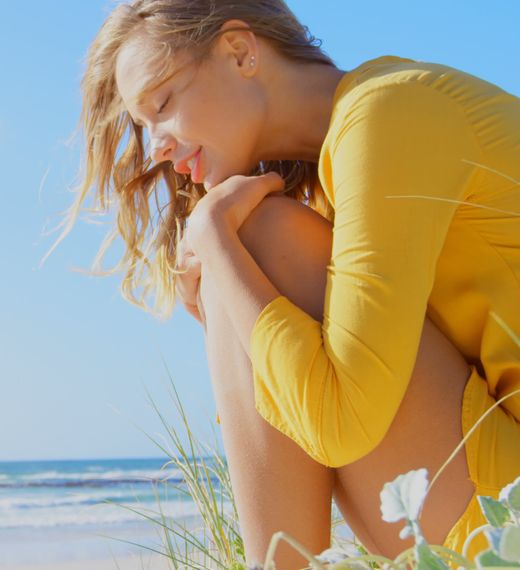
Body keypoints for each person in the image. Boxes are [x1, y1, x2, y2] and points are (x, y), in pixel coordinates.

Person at [45, 1, 520, 567]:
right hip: (491, 490)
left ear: (241, 52)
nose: (159, 148)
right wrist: (223, 300)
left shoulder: (390, 113)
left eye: (163, 104)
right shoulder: (334, 175)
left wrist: (218, 242)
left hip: (502, 503)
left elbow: (342, 422)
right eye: (144, 126)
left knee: (260, 235)